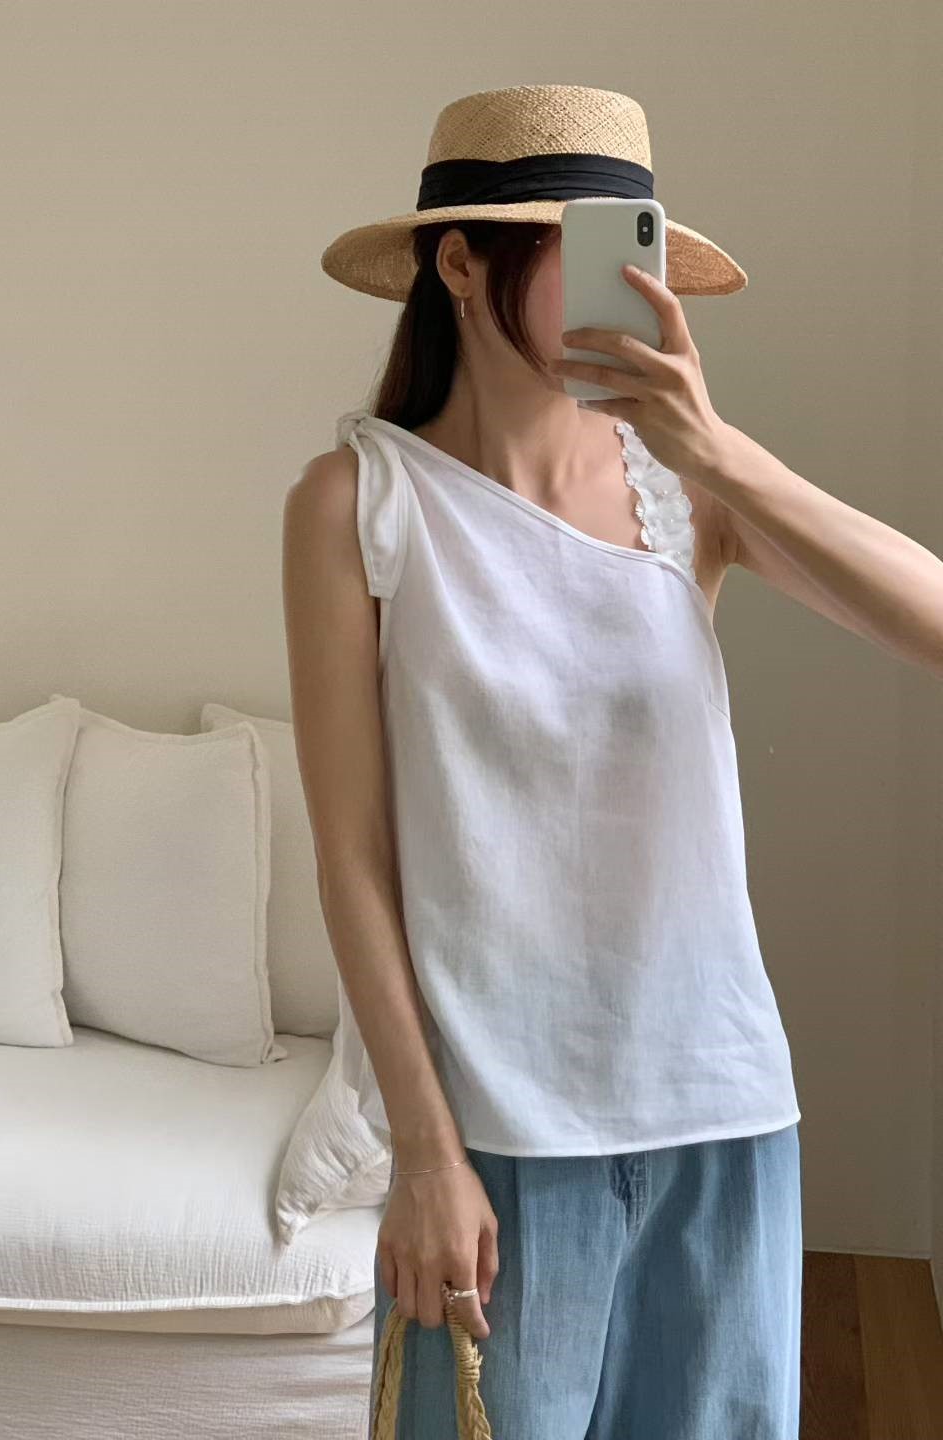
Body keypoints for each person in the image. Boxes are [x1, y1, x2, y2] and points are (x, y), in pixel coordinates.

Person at [281, 84, 943, 1439]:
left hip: (721, 1112)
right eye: (585, 249)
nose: (628, 287)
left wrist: (717, 451)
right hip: (498, 1137)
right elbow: (353, 857)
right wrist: (424, 1151)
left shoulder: (687, 491)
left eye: (636, 250)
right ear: (460, 265)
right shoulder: (360, 502)